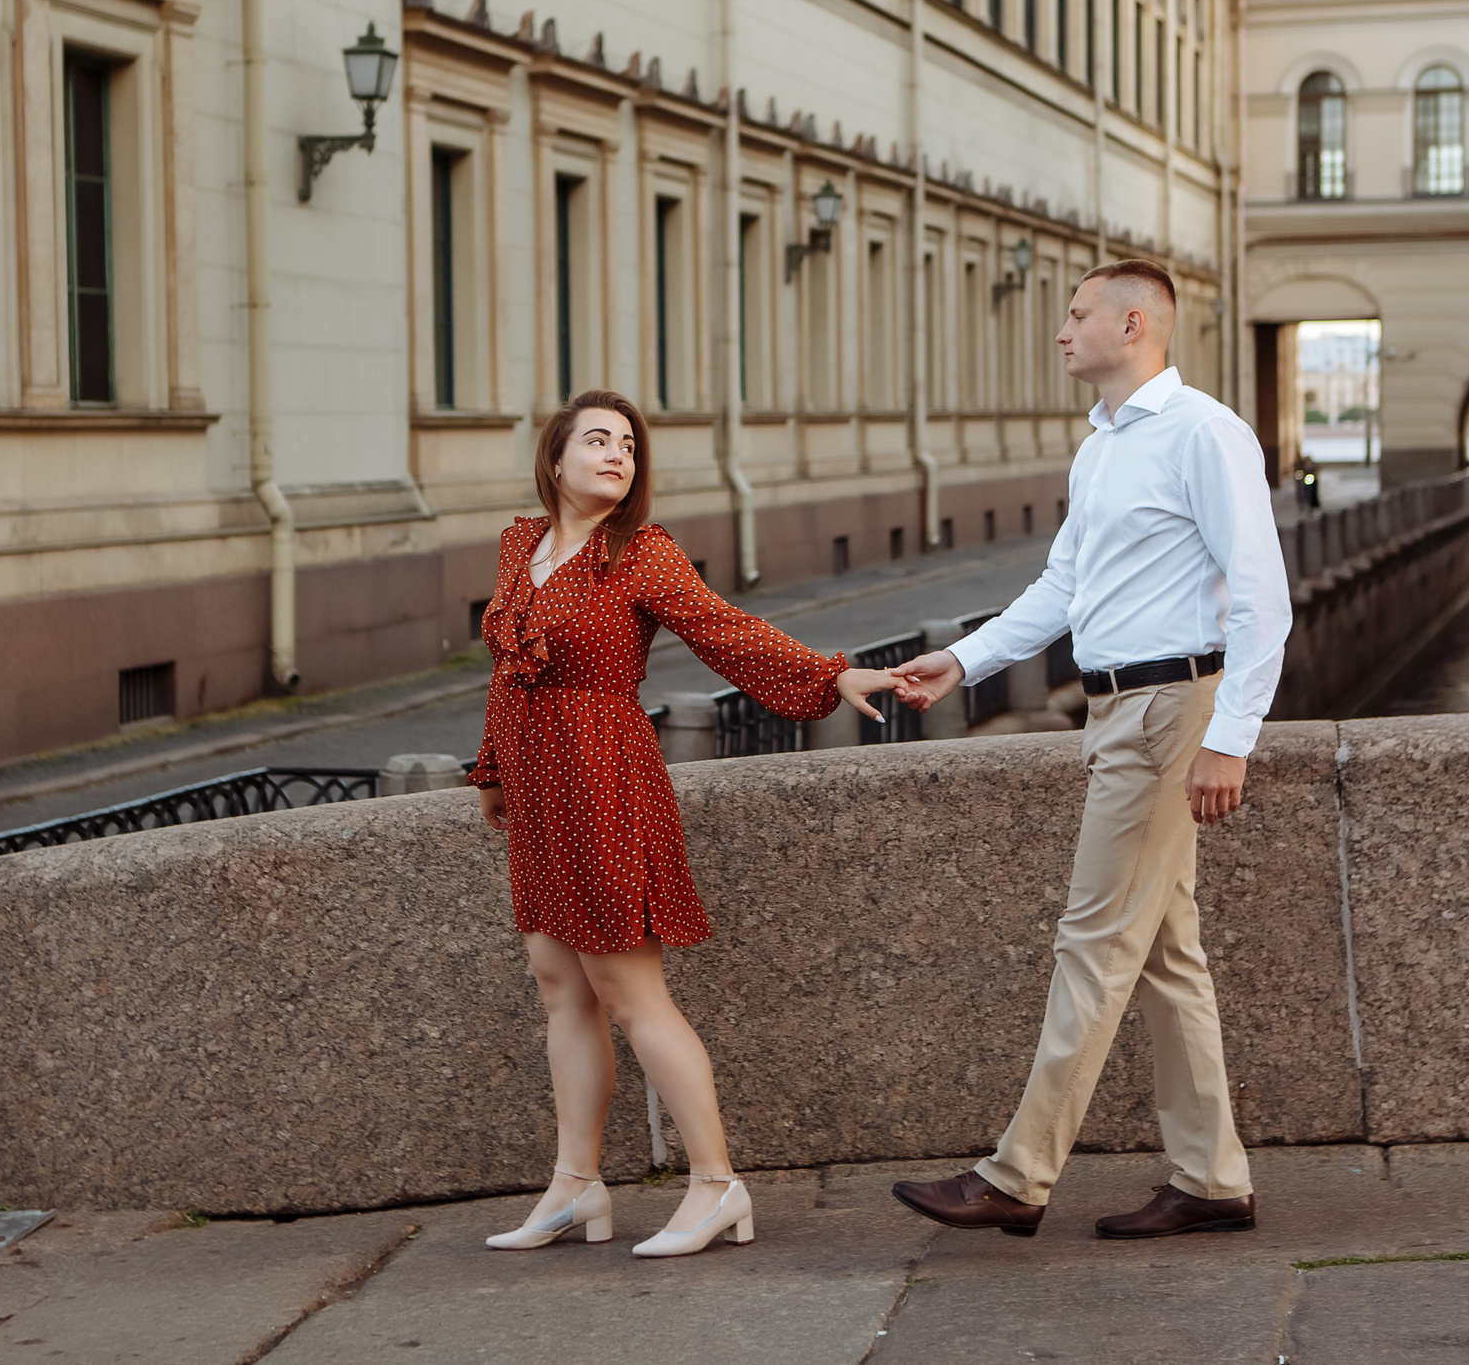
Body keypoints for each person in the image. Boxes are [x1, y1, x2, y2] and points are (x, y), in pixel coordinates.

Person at [883, 259, 1292, 1243]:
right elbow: (1063, 588)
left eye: (1077, 315)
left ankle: (1016, 1176)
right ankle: (1211, 1179)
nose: (1063, 332)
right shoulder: (1102, 443)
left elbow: (1261, 595)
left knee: (1093, 941)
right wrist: (964, 660)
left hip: (1167, 709)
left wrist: (1229, 738)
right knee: (1164, 955)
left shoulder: (1202, 432)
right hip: (1121, 711)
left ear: (1134, 324)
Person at [469, 390, 901, 1259]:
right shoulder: (522, 545)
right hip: (538, 789)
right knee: (560, 984)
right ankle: (576, 1185)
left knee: (629, 991)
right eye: (598, 440)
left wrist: (829, 675)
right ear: (554, 458)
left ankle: (715, 1183)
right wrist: (492, 769)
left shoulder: (639, 552)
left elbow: (724, 631)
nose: (617, 454)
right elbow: (510, 669)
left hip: (603, 778)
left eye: (628, 445)